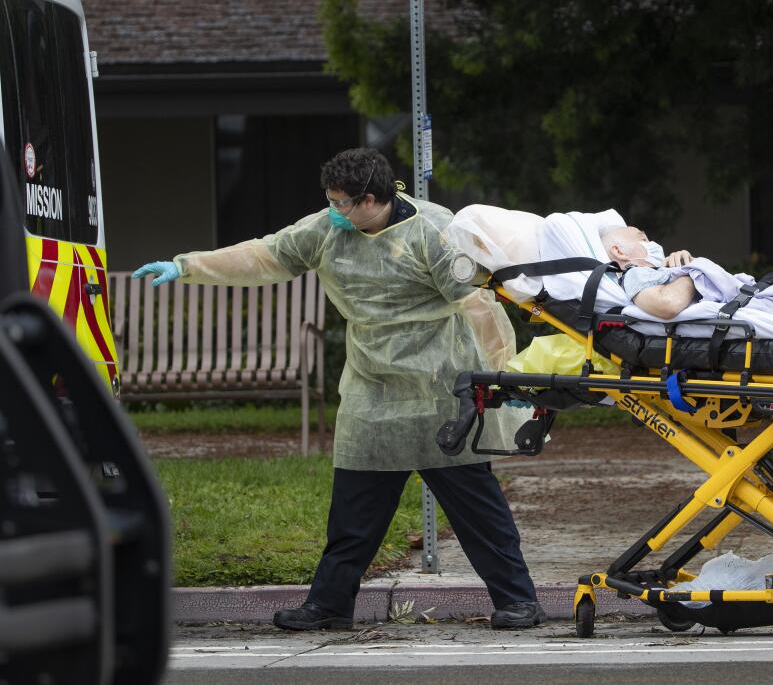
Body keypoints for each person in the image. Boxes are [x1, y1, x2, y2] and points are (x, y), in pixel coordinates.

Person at [133, 148, 547, 631]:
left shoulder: (435, 232)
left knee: (477, 509)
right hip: (373, 389)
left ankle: (519, 601)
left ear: (371, 200)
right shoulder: (329, 229)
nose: (332, 211)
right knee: (354, 513)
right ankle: (329, 605)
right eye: (329, 201)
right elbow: (268, 254)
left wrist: (502, 375)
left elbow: (480, 309)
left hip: (441, 386)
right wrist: (188, 267)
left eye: (340, 203)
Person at [599, 225, 696, 318]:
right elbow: (667, 304)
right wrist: (693, 273)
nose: (653, 243)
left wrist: (686, 264)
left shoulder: (657, 271)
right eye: (643, 239)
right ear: (619, 252)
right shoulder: (634, 274)